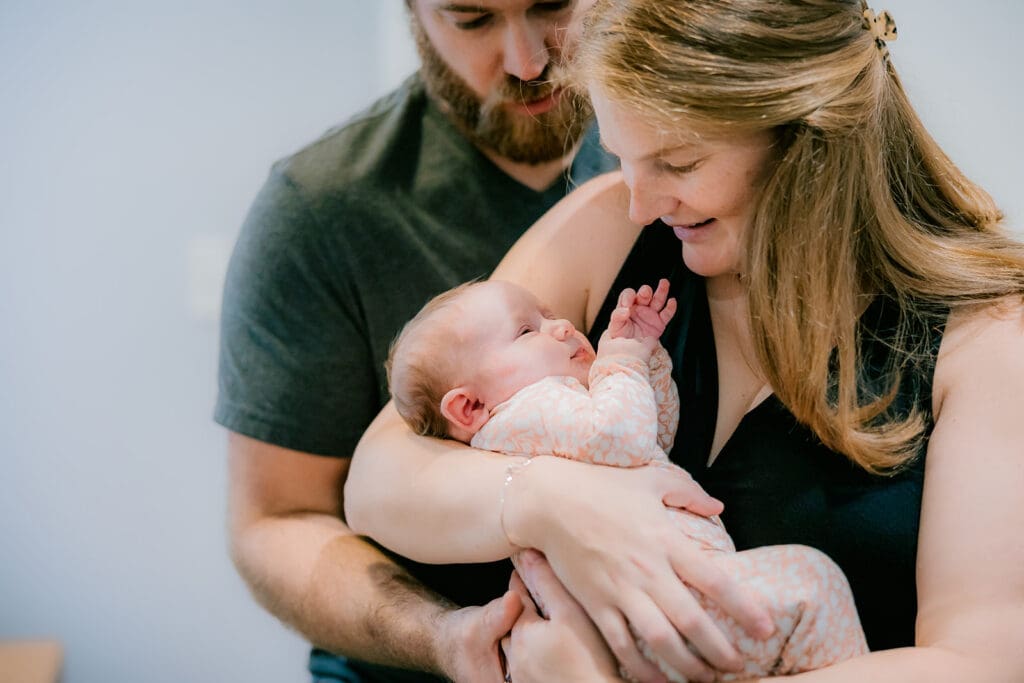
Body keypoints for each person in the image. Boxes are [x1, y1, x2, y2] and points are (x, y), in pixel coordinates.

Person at [345, 1, 1024, 682]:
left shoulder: (985, 338)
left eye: (679, 161)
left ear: (808, 137)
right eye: (620, 156)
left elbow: (983, 664)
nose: (641, 203)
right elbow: (378, 476)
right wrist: (549, 502)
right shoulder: (609, 227)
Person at [215, 2, 622, 682]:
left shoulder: (676, 153)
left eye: (551, 4)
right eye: (472, 19)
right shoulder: (321, 211)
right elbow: (277, 520)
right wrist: (443, 636)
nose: (528, 61)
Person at [387, 277, 868, 681]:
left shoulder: (562, 410)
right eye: (526, 330)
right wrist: (621, 361)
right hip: (650, 608)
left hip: (655, 606)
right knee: (812, 583)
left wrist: (642, 354)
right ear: (469, 407)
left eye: (548, 313)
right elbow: (624, 434)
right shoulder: (519, 416)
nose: (559, 327)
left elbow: (656, 433)